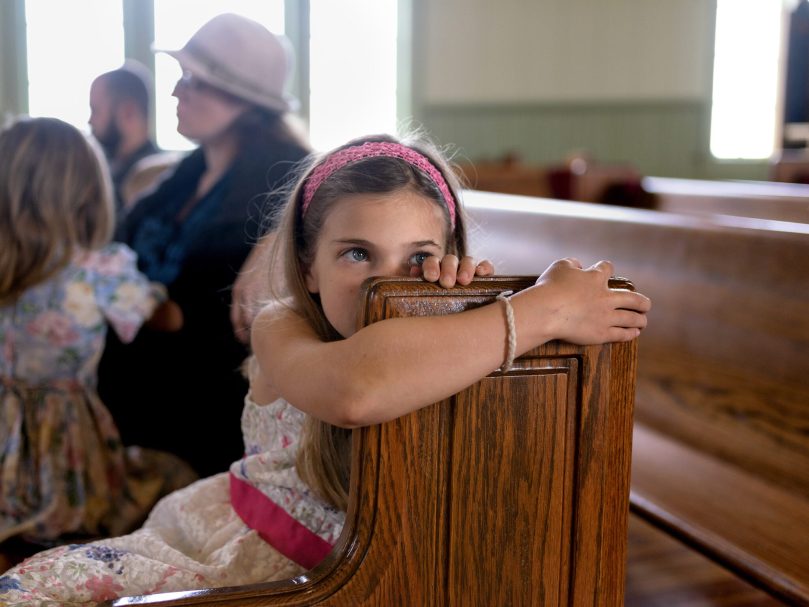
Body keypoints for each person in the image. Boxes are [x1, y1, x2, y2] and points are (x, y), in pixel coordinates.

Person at [0, 132, 650, 604]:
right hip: (245, 546)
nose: (385, 282)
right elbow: (355, 389)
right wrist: (538, 311)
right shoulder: (281, 324)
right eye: (356, 253)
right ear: (308, 264)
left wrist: (472, 310)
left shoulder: (463, 335)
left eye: (419, 255)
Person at [97, 13, 312, 477]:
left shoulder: (287, 179)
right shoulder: (187, 172)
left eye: (194, 81)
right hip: (138, 382)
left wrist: (279, 235)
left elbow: (342, 179)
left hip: (199, 405)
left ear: (244, 100)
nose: (176, 92)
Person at [0, 117, 196, 553]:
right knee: (171, 478)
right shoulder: (99, 269)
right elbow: (167, 319)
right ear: (88, 192)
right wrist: (160, 292)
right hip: (65, 434)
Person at [89, 60, 163, 214]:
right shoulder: (101, 170)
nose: (90, 121)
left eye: (95, 110)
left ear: (128, 112)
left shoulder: (155, 180)